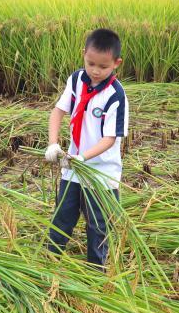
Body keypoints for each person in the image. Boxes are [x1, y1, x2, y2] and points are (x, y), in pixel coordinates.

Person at [44, 28, 129, 268]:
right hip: (71, 169)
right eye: (90, 63)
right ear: (83, 55)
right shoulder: (76, 80)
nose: (95, 71)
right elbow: (58, 111)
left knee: (98, 227)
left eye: (103, 67)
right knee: (61, 218)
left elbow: (109, 138)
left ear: (116, 63)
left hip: (101, 174)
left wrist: (82, 157)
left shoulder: (116, 95)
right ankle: (50, 264)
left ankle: (95, 275)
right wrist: (53, 143)